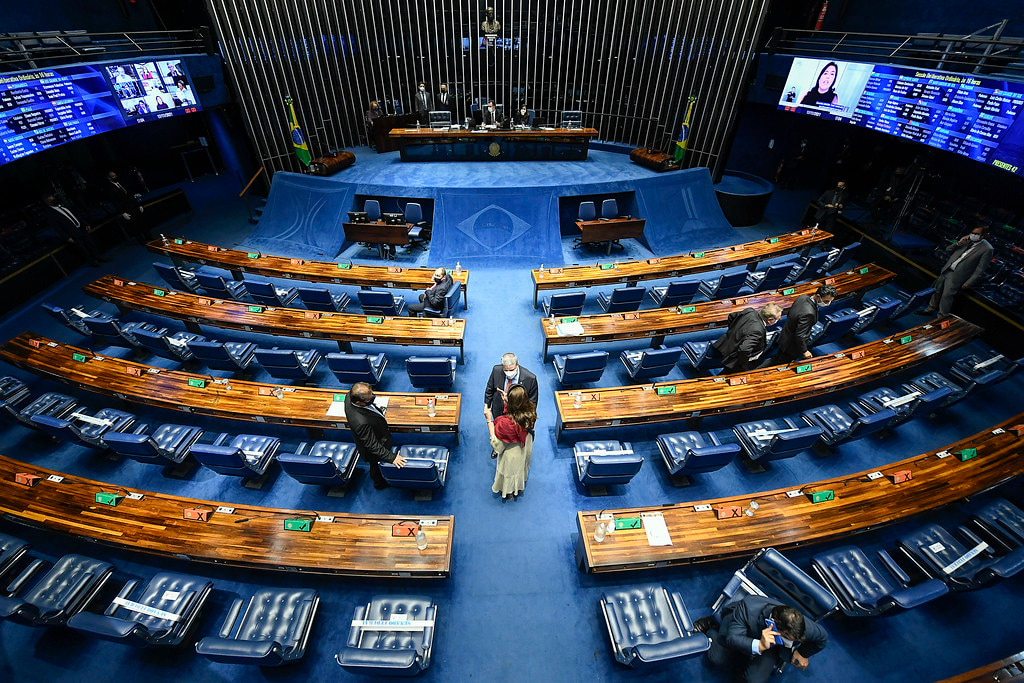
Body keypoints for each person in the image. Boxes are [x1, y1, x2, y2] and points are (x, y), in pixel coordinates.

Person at [696, 595, 828, 683]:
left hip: (772, 645)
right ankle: (711, 627)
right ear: (772, 622)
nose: (793, 641)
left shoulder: (802, 626)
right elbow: (732, 638)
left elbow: (822, 638)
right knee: (717, 658)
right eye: (787, 637)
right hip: (739, 627)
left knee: (755, 680)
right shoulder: (747, 607)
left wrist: (803, 653)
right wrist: (759, 645)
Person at [344, 382, 407, 490]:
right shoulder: (361, 422)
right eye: (370, 399)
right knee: (375, 466)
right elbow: (372, 444)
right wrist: (392, 457)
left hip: (374, 427)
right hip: (373, 449)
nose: (373, 397)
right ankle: (379, 484)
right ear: (359, 403)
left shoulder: (349, 396)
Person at [921, 225, 994, 316]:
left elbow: (980, 269)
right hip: (947, 269)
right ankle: (929, 309)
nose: (973, 235)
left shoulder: (987, 249)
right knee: (936, 290)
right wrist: (959, 243)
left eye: (977, 234)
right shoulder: (966, 241)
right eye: (972, 233)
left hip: (958, 275)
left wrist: (969, 282)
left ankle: (941, 316)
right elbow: (948, 249)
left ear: (984, 235)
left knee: (946, 296)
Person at [760, 284, 838, 367]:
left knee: (775, 359)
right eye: (826, 301)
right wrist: (804, 351)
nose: (828, 304)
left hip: (785, 335)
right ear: (818, 296)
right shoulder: (809, 313)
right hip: (792, 345)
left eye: (830, 301)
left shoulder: (802, 297)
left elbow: (790, 314)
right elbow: (800, 335)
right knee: (779, 364)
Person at [484, 384, 536, 501]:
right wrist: (507, 399)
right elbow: (516, 411)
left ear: (511, 404)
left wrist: (489, 421)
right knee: (520, 468)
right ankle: (519, 488)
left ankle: (508, 492)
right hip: (525, 444)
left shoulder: (506, 424)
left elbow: (497, 445)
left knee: (510, 472)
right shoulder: (530, 410)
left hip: (512, 452)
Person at [484, 352, 539, 458]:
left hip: (519, 414)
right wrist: (487, 406)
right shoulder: (496, 370)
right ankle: (497, 448)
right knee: (500, 430)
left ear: (517, 364)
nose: (509, 373)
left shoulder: (530, 378)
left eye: (512, 370)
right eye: (506, 370)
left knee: (517, 436)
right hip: (499, 409)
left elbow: (533, 403)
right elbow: (489, 390)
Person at [711, 304, 782, 374]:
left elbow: (732, 316)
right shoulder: (758, 331)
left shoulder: (750, 311)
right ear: (770, 320)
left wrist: (733, 332)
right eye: (778, 319)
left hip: (726, 344)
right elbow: (744, 349)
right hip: (735, 359)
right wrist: (743, 364)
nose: (780, 319)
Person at [41, 195, 108, 266]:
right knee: (83, 249)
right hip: (72, 233)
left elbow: (77, 214)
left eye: (53, 198)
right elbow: (57, 228)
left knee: (91, 243)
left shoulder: (64, 205)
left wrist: (85, 224)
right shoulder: (50, 214)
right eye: (51, 199)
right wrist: (67, 237)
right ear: (48, 202)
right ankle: (92, 262)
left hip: (81, 228)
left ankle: (99, 257)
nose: (54, 199)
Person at [104, 170, 151, 244]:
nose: (115, 177)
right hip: (126, 209)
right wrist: (123, 213)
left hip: (134, 206)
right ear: (109, 178)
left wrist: (139, 205)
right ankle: (141, 240)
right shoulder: (110, 189)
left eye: (115, 175)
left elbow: (131, 195)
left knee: (142, 222)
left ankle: (149, 237)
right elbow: (115, 202)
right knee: (134, 226)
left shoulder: (122, 183)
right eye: (113, 177)